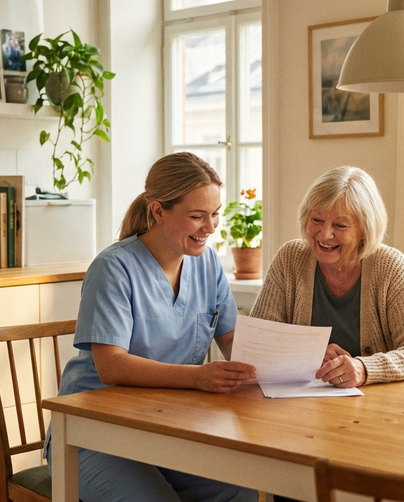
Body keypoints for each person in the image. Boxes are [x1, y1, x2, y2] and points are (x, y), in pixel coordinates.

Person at [44, 152, 258, 502]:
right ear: (159, 211)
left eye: (216, 213)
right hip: (92, 433)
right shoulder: (113, 268)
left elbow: (234, 340)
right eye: (197, 216)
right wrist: (198, 377)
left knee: (240, 489)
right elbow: (110, 364)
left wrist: (296, 359)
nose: (211, 226)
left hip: (167, 427)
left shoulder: (208, 266)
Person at [250, 166, 404, 389]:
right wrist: (308, 354)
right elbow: (255, 342)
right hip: (301, 409)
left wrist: (364, 369)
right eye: (317, 220)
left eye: (340, 225)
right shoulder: (290, 259)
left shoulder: (389, 266)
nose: (325, 234)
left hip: (378, 410)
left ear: (365, 230)